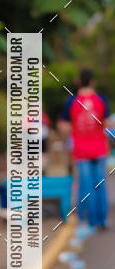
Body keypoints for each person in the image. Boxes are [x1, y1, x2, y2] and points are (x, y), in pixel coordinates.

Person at [58, 68, 111, 230]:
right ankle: (101, 220)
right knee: (100, 185)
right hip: (99, 148)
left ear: (78, 81)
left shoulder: (72, 102)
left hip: (81, 150)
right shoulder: (101, 100)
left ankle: (87, 220)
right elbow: (108, 123)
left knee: (85, 185)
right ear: (93, 81)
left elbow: (63, 126)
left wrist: (74, 131)